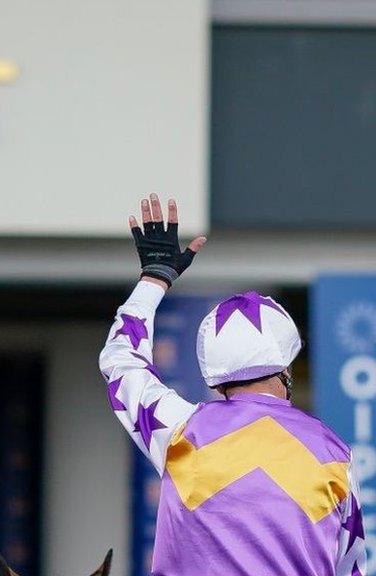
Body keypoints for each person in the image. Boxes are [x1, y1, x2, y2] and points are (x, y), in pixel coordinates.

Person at [100, 194, 367, 575]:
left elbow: (119, 359)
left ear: (214, 376)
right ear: (286, 367)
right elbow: (352, 568)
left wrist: (153, 279)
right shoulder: (334, 455)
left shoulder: (179, 430)